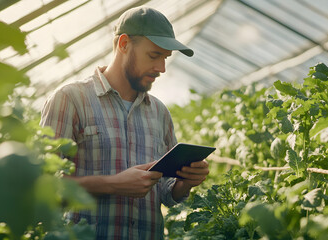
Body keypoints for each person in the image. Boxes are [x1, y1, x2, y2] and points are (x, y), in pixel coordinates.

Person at [40, 6, 209, 240]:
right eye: (154, 55)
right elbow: (44, 185)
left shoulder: (159, 112)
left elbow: (167, 192)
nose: (161, 68)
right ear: (123, 44)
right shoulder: (70, 99)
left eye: (165, 58)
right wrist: (112, 184)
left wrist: (185, 182)